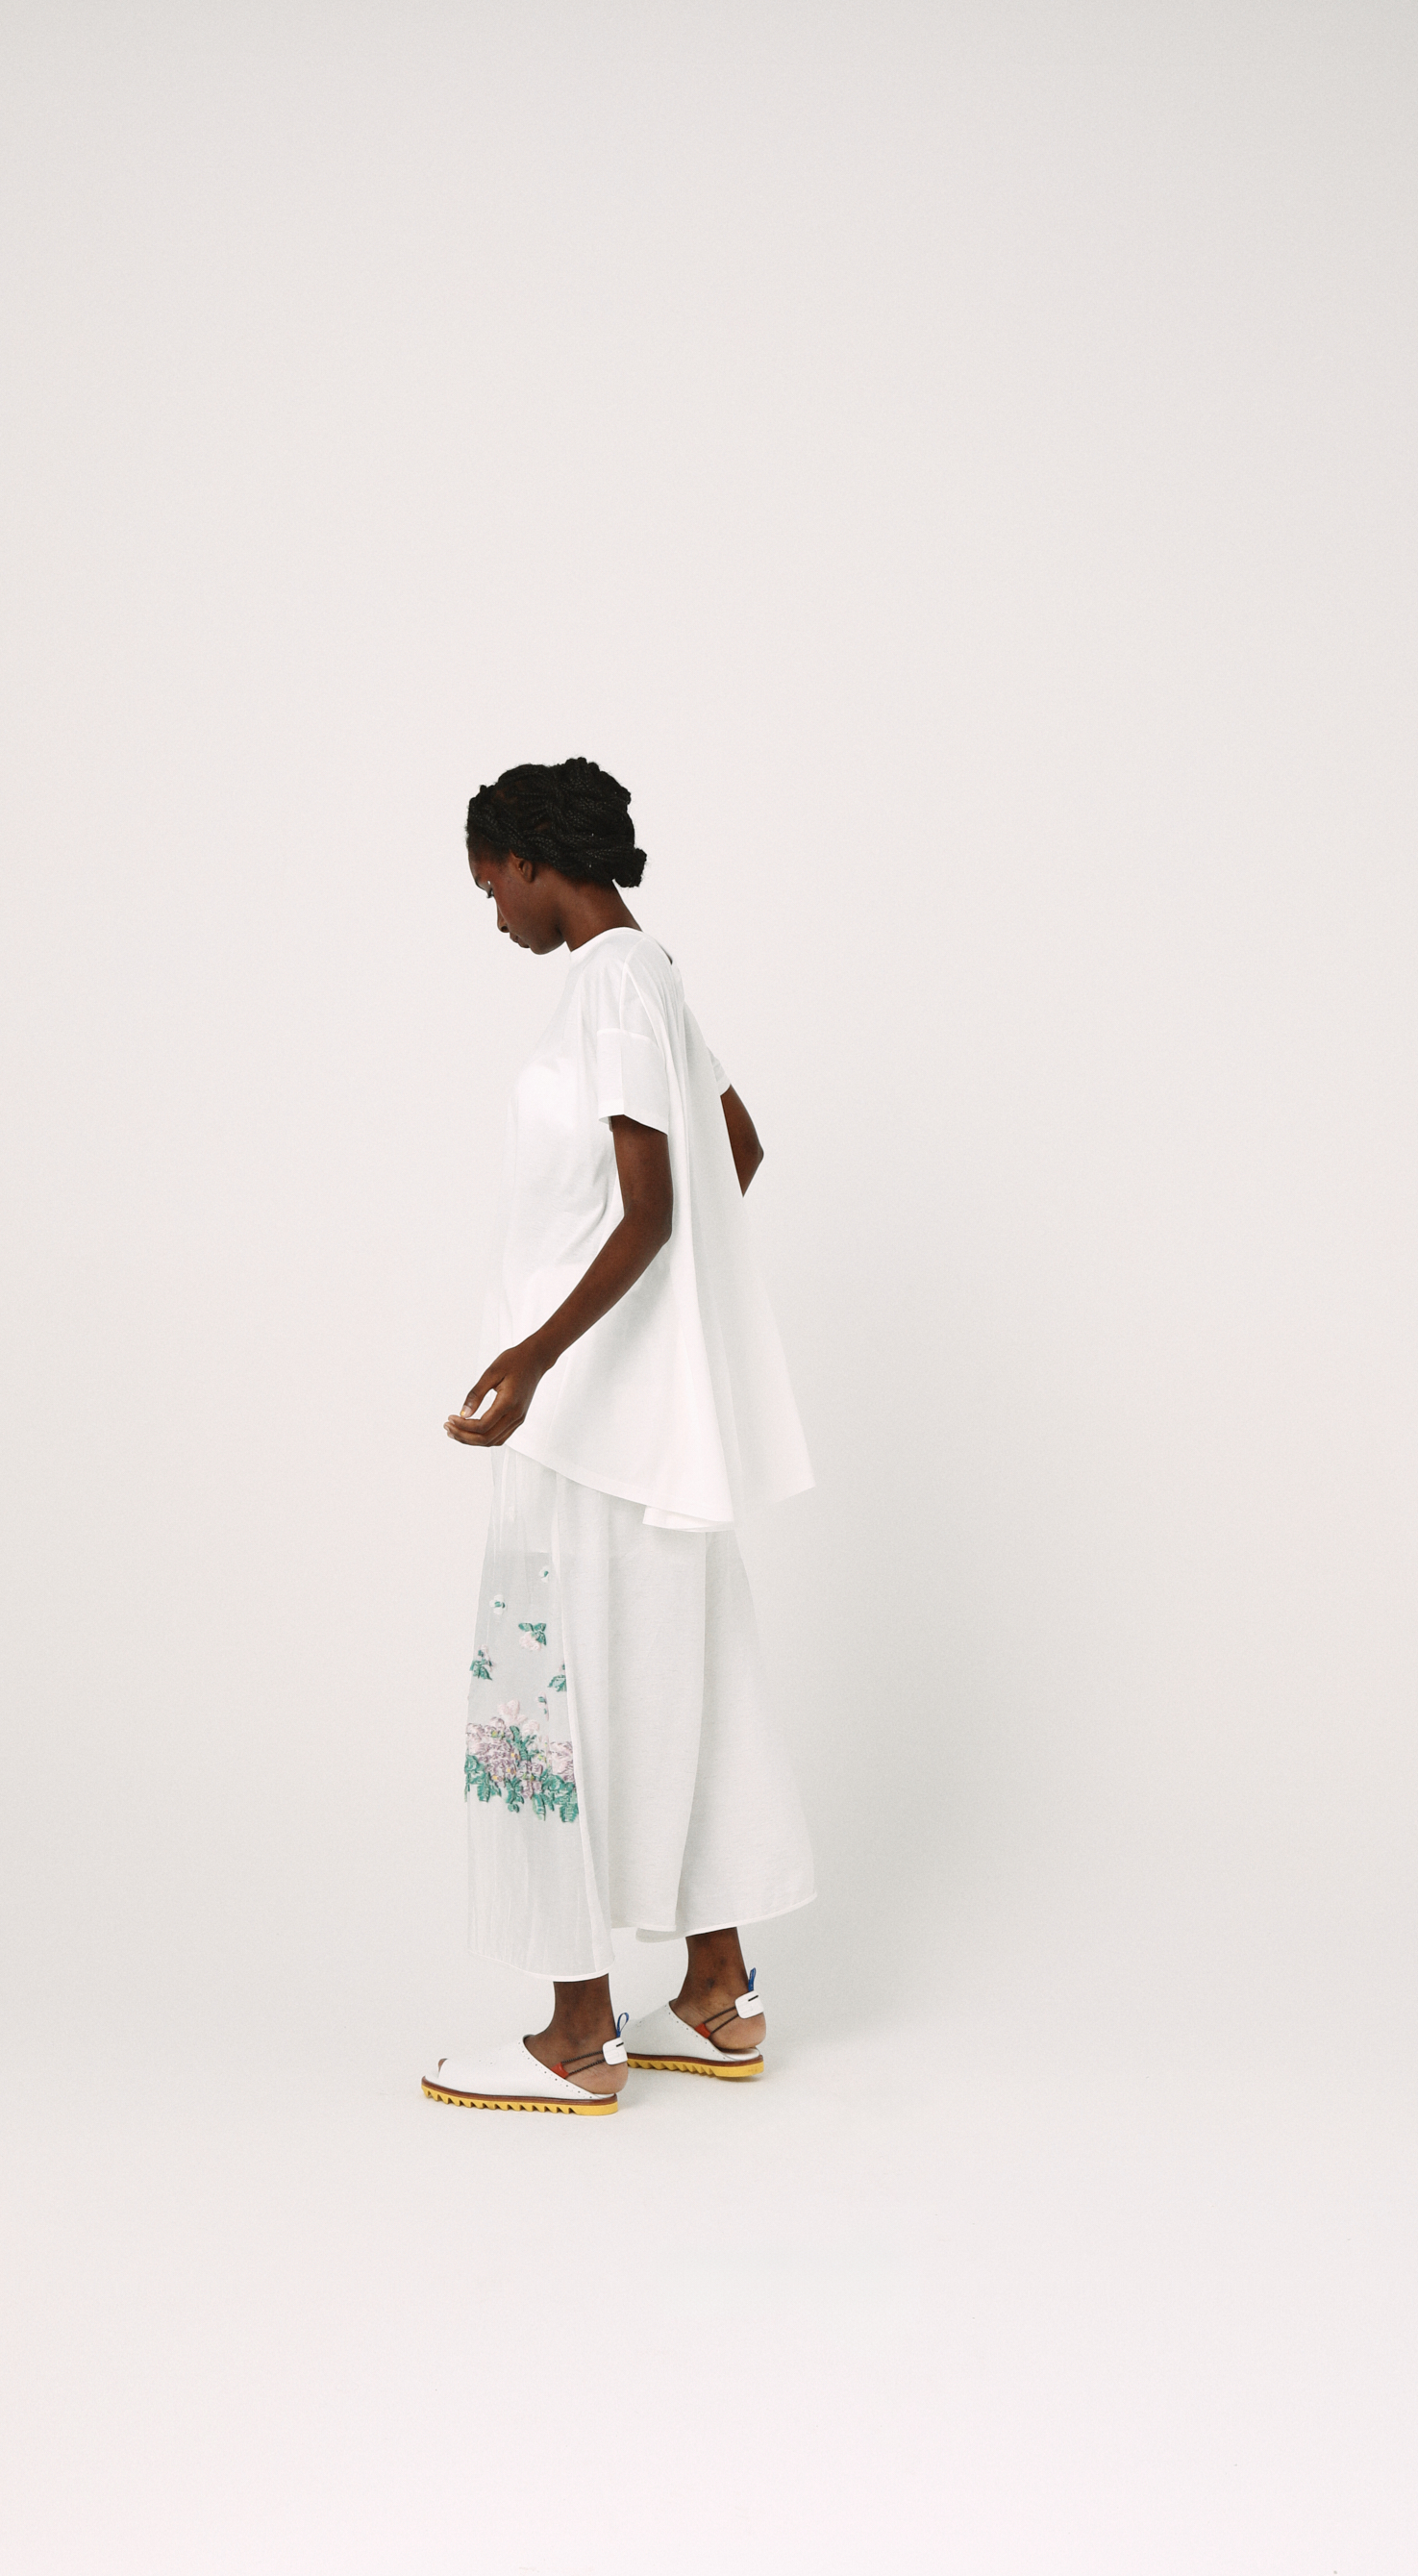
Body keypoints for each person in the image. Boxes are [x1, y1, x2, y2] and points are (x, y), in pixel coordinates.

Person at [425, 757, 816, 2116]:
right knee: (677, 1681)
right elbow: (735, 1152)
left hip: (586, 1430)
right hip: (647, 1430)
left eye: (493, 885)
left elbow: (656, 1205)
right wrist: (657, 1333)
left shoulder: (606, 984)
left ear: (536, 861)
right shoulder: (655, 978)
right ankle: (715, 1995)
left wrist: (537, 1355)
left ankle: (577, 2035)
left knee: (561, 1694)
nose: (495, 915)